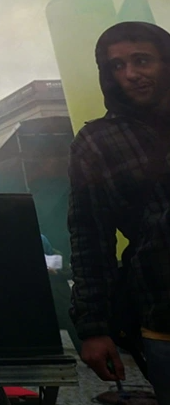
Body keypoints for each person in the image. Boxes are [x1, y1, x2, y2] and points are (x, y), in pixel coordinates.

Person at [68, 22, 170, 401]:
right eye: (116, 66)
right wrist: (93, 328)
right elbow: (89, 238)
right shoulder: (96, 143)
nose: (131, 74)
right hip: (163, 317)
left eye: (141, 60)